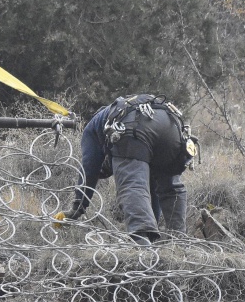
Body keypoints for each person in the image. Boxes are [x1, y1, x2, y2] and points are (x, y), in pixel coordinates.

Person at [61, 94, 196, 241]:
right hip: (171, 125)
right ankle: (179, 243)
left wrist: (77, 208)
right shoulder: (123, 108)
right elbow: (151, 191)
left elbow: (89, 169)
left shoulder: (93, 128)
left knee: (133, 184)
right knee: (170, 187)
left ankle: (142, 245)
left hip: (135, 126)